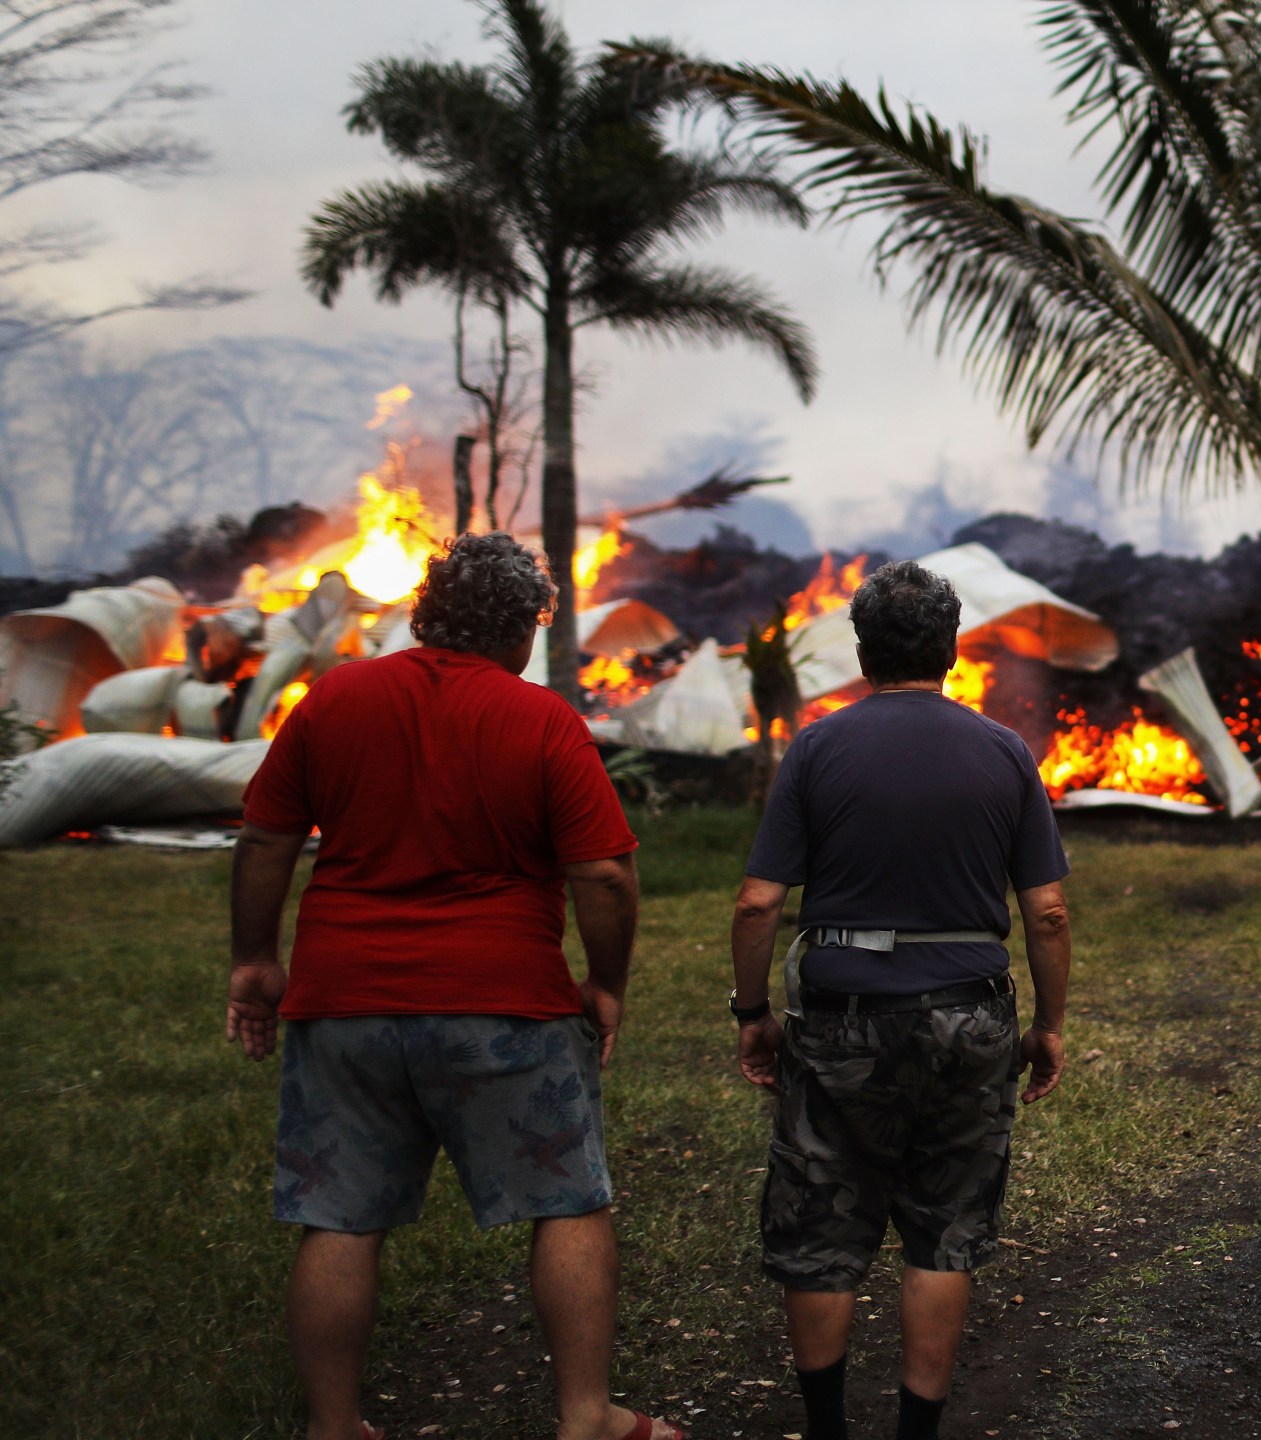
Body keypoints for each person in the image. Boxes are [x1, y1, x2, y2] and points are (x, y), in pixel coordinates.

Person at [225, 533, 678, 1440]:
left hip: (344, 1001)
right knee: (568, 1201)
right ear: (522, 633)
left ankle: (333, 1425)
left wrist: (255, 962)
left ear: (425, 614)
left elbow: (267, 839)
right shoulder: (541, 719)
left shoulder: (335, 698)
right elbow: (606, 876)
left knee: (341, 1219)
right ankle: (585, 1418)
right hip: (504, 1004)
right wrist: (608, 984)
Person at [728, 559, 1073, 1440]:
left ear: (862, 648)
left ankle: (829, 1431)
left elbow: (760, 901)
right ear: (952, 648)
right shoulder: (1002, 751)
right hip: (971, 1014)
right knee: (945, 1229)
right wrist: (1049, 1025)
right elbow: (1049, 910)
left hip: (843, 1020)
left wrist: (751, 1014)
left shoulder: (816, 746)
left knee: (820, 1228)